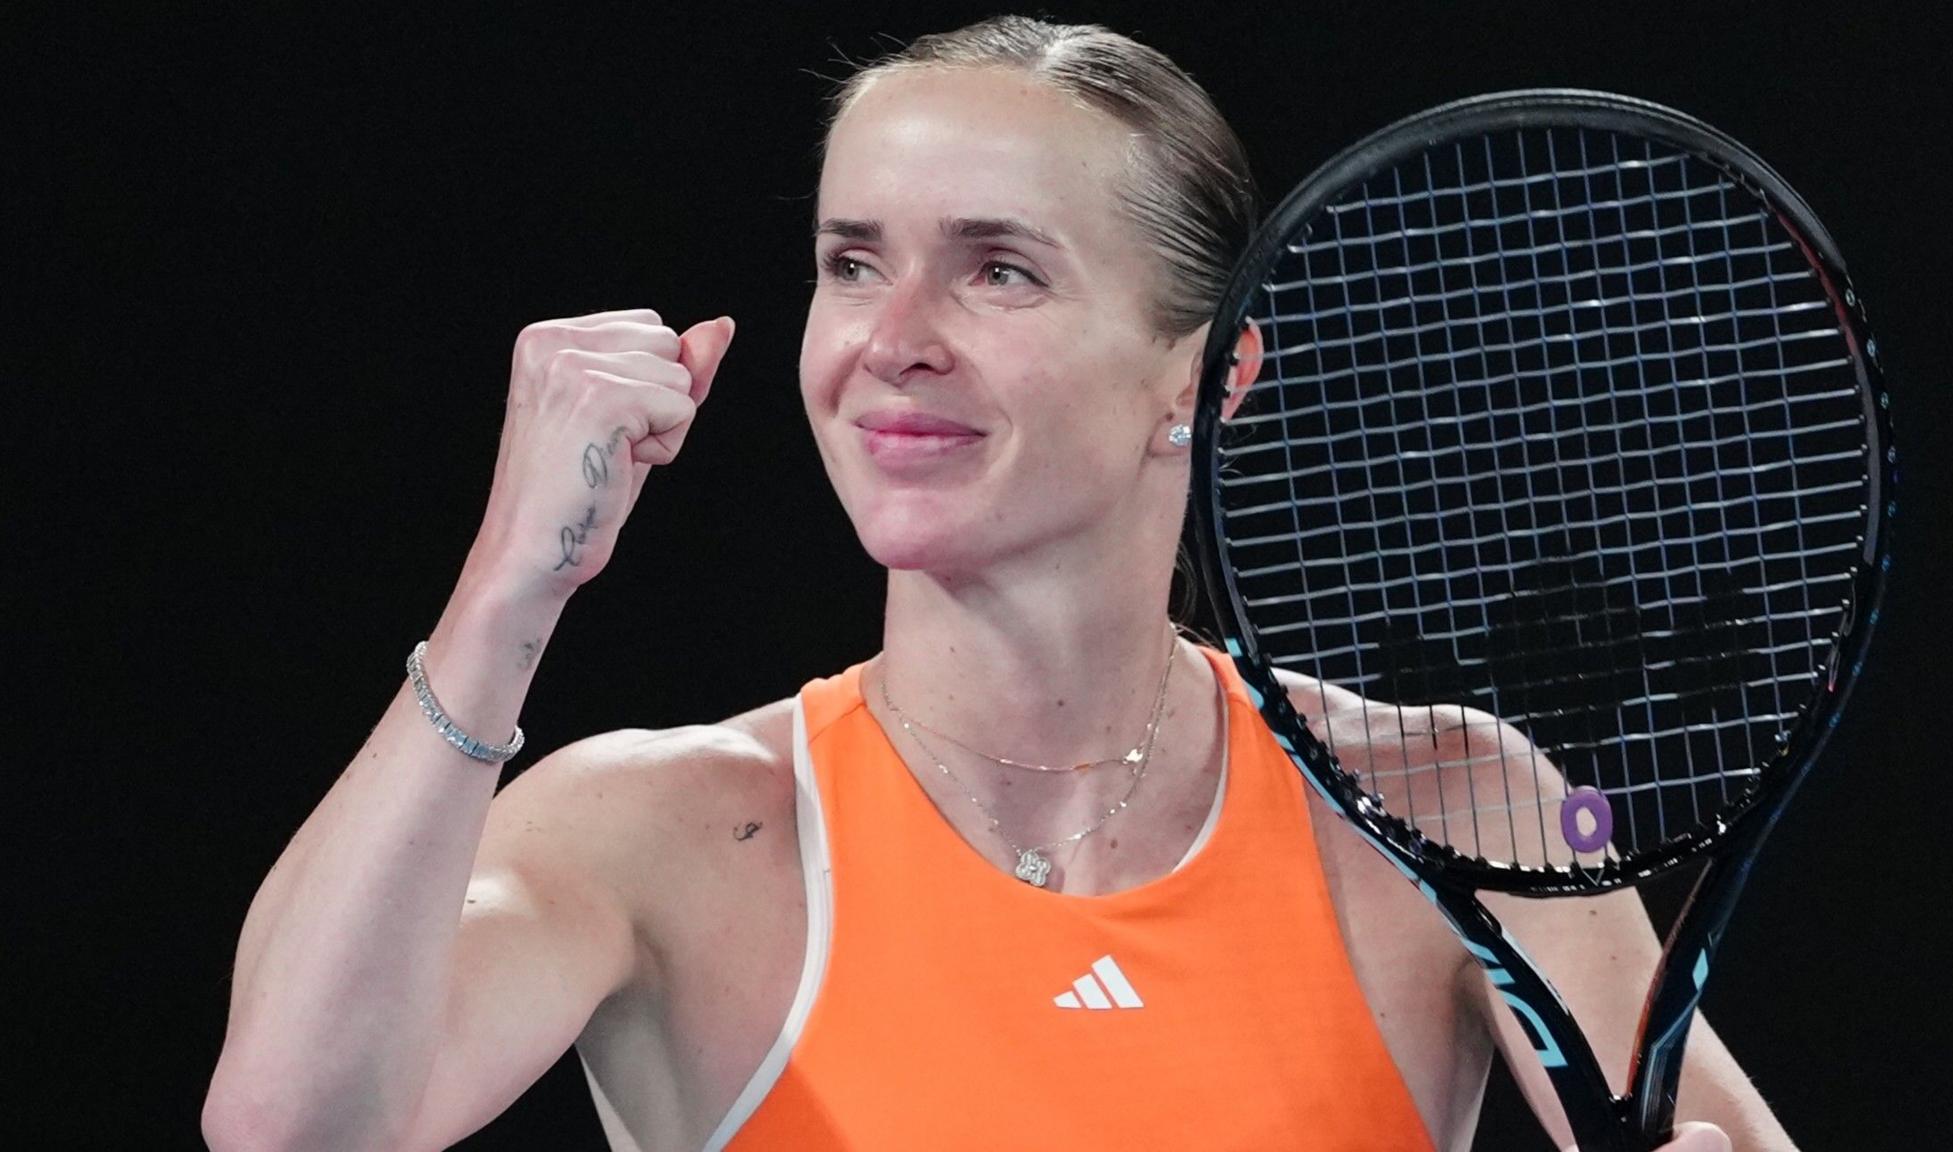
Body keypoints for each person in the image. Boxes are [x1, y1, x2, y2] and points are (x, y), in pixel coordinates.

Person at [202, 16, 1796, 1152]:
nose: (892, 338)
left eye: (999, 267)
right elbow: (291, 1128)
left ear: (1205, 377)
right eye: (851, 260)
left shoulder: (1454, 804)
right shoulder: (662, 829)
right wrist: (505, 599)